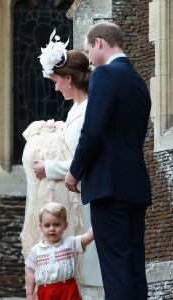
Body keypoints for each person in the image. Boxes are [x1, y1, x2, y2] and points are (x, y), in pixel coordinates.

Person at [65, 22, 152, 300]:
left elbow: (93, 130)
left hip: (108, 187)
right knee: (134, 267)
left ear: (100, 42)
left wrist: (74, 172)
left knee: (115, 269)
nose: (89, 58)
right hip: (135, 186)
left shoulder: (104, 75)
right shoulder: (138, 81)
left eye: (89, 49)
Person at [20, 29, 103, 297]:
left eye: (56, 80)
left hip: (82, 197)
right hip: (72, 196)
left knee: (87, 269)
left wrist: (48, 168)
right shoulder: (75, 110)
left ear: (68, 78)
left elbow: (81, 159)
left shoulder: (86, 110)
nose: (54, 87)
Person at [25, 202, 94, 300]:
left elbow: (88, 236)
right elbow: (31, 272)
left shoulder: (70, 243)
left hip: (69, 289)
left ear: (65, 225)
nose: (52, 229)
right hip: (46, 293)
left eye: (56, 224)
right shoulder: (36, 250)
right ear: (41, 227)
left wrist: (101, 219)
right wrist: (29, 294)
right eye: (47, 225)